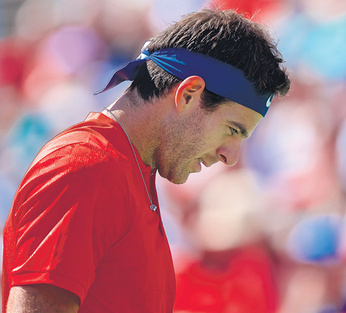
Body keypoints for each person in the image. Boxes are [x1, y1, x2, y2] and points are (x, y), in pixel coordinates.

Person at [2, 9, 290, 313]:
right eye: (232, 130)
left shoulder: (127, 171)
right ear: (188, 94)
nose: (230, 156)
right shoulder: (86, 166)